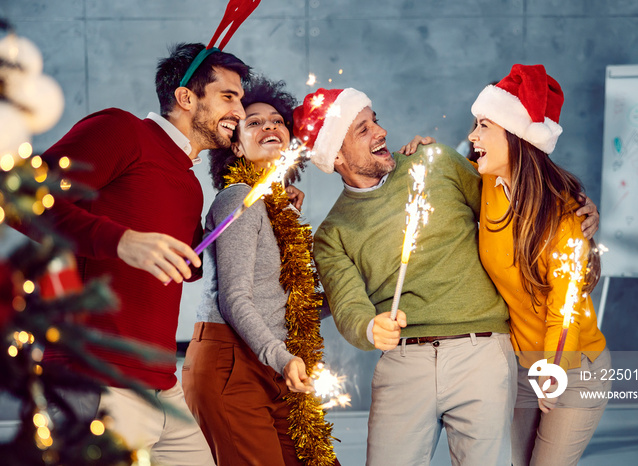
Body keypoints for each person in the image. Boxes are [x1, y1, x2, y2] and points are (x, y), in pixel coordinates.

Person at [18, 42, 250, 465]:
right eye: (228, 96)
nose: (240, 109)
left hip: (164, 387)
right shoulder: (122, 131)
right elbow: (22, 199)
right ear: (185, 97)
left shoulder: (190, 184)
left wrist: (250, 191)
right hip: (96, 379)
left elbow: (186, 264)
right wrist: (121, 240)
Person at [294, 88, 517, 465]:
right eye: (362, 130)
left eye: (375, 120)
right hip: (403, 362)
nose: (380, 132)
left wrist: (573, 208)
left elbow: (510, 209)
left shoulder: (435, 161)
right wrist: (371, 328)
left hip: (482, 352)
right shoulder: (332, 234)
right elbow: (349, 308)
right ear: (336, 156)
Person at [181, 75, 337, 466]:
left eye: (277, 121)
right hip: (230, 361)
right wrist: (281, 356)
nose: (269, 126)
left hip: (272, 361)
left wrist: (351, 292)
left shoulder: (280, 208)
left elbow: (286, 307)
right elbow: (234, 298)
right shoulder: (239, 198)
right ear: (235, 145)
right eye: (253, 123)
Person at [468, 64, 611, 466]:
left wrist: (555, 373)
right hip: (520, 365)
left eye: (483, 126)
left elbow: (563, 310)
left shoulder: (565, 218)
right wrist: (421, 146)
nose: (472, 136)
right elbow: (440, 177)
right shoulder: (485, 186)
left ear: (516, 137)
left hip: (571, 362)